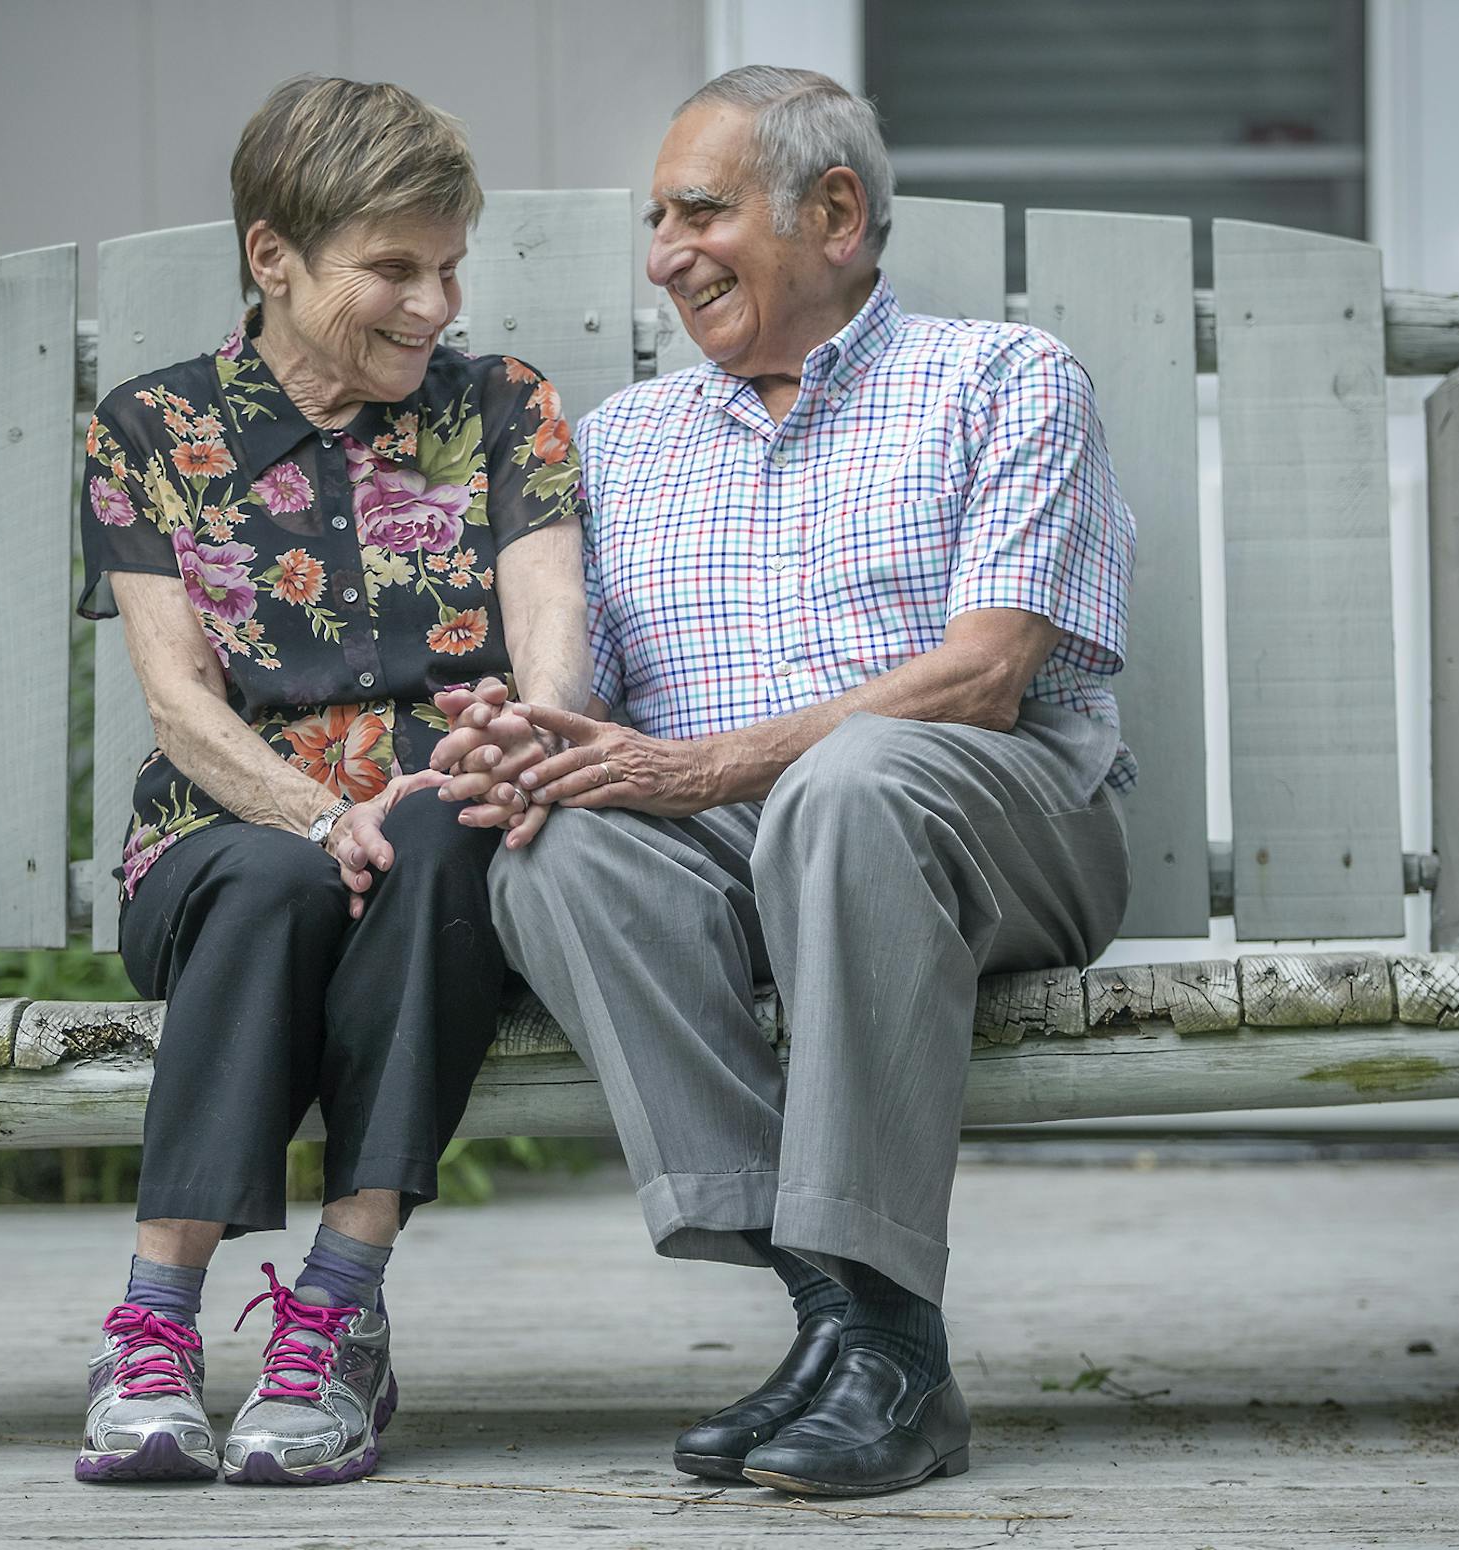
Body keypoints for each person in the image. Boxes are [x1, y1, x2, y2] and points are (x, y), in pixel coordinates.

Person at [432, 66, 1136, 1497]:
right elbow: (592, 704)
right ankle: (852, 1324)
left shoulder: (1004, 378)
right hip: (737, 841)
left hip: (996, 827)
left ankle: (877, 1332)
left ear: (835, 213)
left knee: (852, 780)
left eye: (699, 212)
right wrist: (527, 742)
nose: (665, 255)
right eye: (656, 222)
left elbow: (986, 675)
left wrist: (706, 765)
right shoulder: (627, 441)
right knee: (556, 851)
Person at [73, 75, 589, 1485]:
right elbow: (180, 701)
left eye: (450, 268)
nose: (435, 306)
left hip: (442, 832)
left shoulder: (504, 408)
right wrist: (312, 810)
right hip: (230, 828)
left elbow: (551, 634)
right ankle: (154, 1327)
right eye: (394, 269)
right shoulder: (154, 430)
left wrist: (526, 734)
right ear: (274, 257)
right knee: (274, 880)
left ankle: (337, 1311)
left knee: (444, 838)